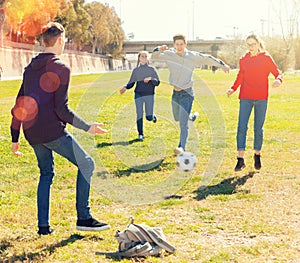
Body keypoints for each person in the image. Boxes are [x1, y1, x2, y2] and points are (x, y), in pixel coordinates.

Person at [10, 22, 110, 235]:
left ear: (43, 41)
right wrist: (87, 127)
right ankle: (84, 217)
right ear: (60, 40)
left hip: (32, 132)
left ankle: (43, 227)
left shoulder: (29, 68)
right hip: (51, 131)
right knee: (87, 163)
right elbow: (61, 109)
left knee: (46, 173)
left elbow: (19, 101)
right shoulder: (61, 68)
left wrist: (15, 136)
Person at [151, 34, 230, 155]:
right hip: (176, 93)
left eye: (181, 44)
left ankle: (181, 147)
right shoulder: (169, 54)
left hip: (187, 93)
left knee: (183, 123)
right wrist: (159, 48)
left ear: (185, 44)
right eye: (177, 44)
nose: (179, 46)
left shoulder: (192, 56)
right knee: (177, 117)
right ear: (174, 45)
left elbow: (207, 58)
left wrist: (222, 65)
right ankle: (191, 117)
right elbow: (154, 57)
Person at [226, 34, 283, 171]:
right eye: (248, 44)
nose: (250, 47)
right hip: (245, 97)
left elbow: (277, 73)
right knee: (241, 127)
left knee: (258, 129)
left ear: (258, 44)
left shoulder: (266, 58)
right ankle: (240, 159)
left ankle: (257, 155)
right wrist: (233, 88)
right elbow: (240, 76)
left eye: (253, 44)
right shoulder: (243, 60)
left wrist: (278, 80)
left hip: (261, 98)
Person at [120, 51, 160, 141]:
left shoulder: (152, 69)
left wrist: (150, 79)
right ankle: (140, 134)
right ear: (139, 58)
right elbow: (131, 82)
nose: (144, 58)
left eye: (146, 56)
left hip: (149, 94)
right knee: (139, 114)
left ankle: (152, 117)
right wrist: (125, 87)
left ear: (147, 58)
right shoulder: (136, 70)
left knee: (148, 117)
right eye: (142, 56)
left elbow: (157, 82)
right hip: (138, 94)